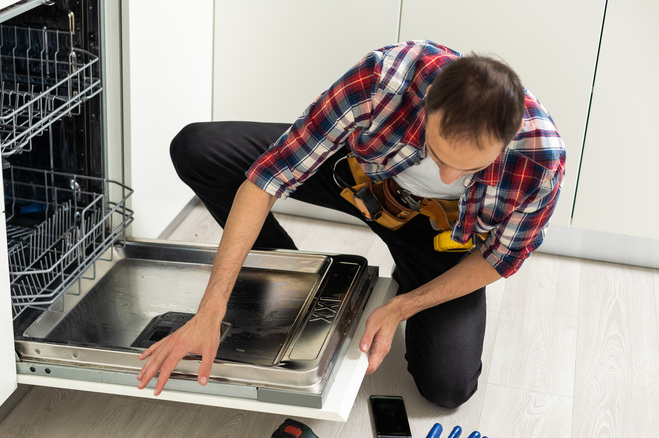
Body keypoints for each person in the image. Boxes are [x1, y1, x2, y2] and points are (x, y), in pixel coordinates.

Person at [136, 40, 565, 408]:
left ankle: (407, 277)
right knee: (198, 148)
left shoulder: (542, 158)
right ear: (428, 106)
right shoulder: (383, 79)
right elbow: (269, 177)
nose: (449, 177)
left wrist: (401, 306)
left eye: (468, 168)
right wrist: (211, 310)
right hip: (356, 178)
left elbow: (501, 257)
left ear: (507, 140)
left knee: (448, 387)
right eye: (439, 155)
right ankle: (278, 270)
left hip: (438, 236)